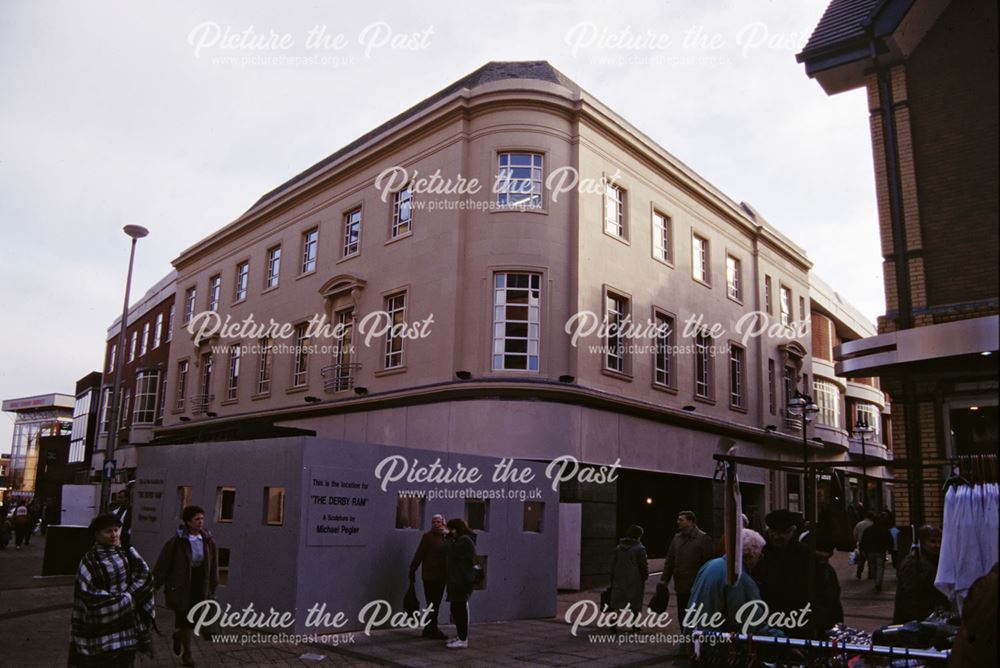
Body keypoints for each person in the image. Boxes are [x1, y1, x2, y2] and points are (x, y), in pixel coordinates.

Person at [69, 512, 155, 667]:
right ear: (97, 534)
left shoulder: (126, 553)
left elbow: (144, 575)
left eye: (116, 530)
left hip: (127, 626)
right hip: (101, 629)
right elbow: (88, 595)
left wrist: (131, 597)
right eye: (108, 531)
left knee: (126, 661)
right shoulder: (89, 561)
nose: (114, 535)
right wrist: (125, 601)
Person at [687, 529, 781, 642]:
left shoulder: (711, 564)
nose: (759, 560)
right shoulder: (738, 577)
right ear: (751, 555)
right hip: (718, 647)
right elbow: (751, 623)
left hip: (697, 640)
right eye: (759, 556)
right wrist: (782, 639)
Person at [154, 505, 219, 667]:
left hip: (199, 582)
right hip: (182, 585)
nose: (200, 522)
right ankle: (187, 655)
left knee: (196, 619)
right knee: (185, 619)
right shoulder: (177, 542)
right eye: (197, 519)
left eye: (202, 519)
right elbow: (163, 566)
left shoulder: (208, 540)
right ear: (188, 522)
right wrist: (154, 586)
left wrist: (213, 584)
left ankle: (178, 636)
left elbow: (213, 564)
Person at [753, 509, 810, 619]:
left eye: (781, 532)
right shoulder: (761, 552)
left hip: (796, 614)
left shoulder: (804, 553)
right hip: (766, 612)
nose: (776, 536)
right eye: (772, 532)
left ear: (792, 531)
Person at [660, 511, 714, 626]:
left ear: (690, 521)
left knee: (696, 615)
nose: (678, 522)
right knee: (682, 615)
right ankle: (686, 640)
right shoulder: (676, 538)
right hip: (681, 585)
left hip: (697, 586)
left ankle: (696, 641)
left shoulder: (703, 538)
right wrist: (664, 580)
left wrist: (707, 584)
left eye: (681, 519)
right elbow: (670, 560)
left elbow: (709, 564)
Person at [893, 525, 949, 623]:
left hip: (931, 617)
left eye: (940, 542)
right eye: (932, 541)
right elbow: (909, 594)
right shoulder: (914, 562)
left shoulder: (936, 560)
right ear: (923, 543)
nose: (937, 545)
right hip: (917, 618)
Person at [408, 513, 449, 640]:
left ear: (443, 522)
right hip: (430, 576)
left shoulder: (446, 536)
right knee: (432, 603)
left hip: (442, 576)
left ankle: (429, 629)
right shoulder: (428, 537)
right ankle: (432, 629)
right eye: (433, 522)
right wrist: (412, 569)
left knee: (435, 603)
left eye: (438, 521)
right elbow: (420, 553)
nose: (436, 524)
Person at [443, 518, 477, 649]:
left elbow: (450, 550)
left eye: (450, 529)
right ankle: (461, 636)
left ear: (456, 529)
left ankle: (463, 639)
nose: (449, 531)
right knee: (456, 608)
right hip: (457, 580)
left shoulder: (465, 540)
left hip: (461, 581)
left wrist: (447, 537)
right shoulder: (461, 540)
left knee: (459, 609)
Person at [609, 524, 649, 627]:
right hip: (635, 580)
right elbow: (643, 565)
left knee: (618, 601)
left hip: (619, 578)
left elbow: (613, 563)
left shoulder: (619, 548)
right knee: (635, 602)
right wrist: (645, 576)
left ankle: (614, 620)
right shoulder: (640, 549)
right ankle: (635, 624)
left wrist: (612, 576)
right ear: (639, 536)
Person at [860, 511, 893, 592]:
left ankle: (876, 580)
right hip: (880, 551)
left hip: (870, 551)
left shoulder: (868, 530)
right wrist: (889, 548)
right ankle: (878, 582)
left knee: (872, 567)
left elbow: (863, 541)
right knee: (880, 567)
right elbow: (889, 540)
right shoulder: (884, 530)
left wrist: (863, 549)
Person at [853, 512, 874, 579]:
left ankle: (859, 571)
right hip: (870, 543)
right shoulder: (873, 524)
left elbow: (855, 535)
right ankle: (870, 573)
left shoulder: (859, 524)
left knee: (862, 559)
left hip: (861, 544)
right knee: (870, 559)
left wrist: (856, 542)